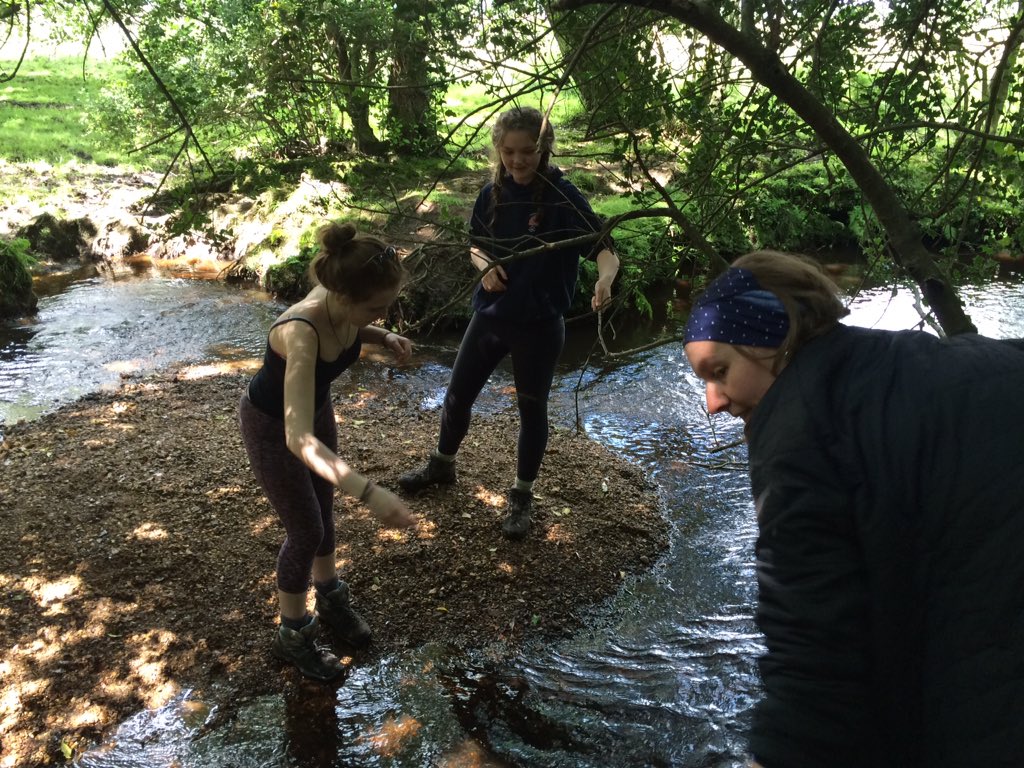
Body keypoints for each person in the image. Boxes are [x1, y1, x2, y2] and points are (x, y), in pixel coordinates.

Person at [683, 250, 1024, 767]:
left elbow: (814, 650)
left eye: (720, 370)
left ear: (777, 333)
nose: (713, 401)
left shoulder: (799, 424)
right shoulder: (906, 359)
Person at [397, 105, 620, 539]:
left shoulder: (563, 197)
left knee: (531, 410)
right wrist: (483, 265)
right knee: (458, 397)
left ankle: (521, 495)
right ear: (498, 150)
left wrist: (605, 282)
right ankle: (442, 464)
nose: (518, 161)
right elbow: (476, 245)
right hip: (490, 317)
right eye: (509, 152)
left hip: (540, 323)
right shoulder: (491, 194)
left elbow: (605, 250)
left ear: (544, 149)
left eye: (528, 151)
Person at [239, 222, 416, 682]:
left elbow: (354, 330)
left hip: (316, 411)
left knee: (324, 510)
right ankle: (293, 634)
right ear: (342, 295)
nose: (384, 313)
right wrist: (370, 492)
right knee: (305, 529)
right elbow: (297, 441)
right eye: (376, 309)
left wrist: (383, 337)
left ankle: (330, 596)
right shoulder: (301, 334)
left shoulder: (347, 309)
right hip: (272, 425)